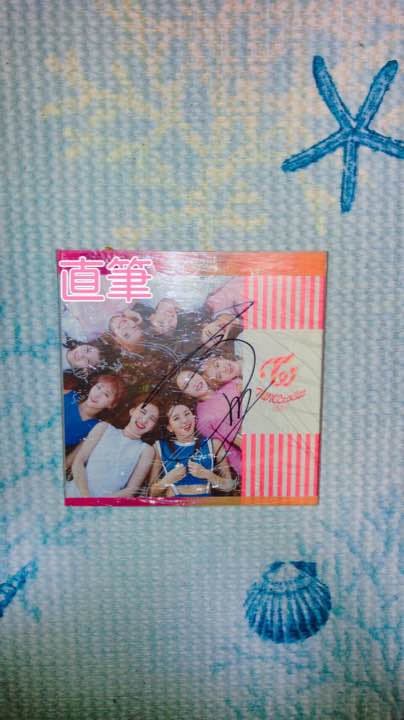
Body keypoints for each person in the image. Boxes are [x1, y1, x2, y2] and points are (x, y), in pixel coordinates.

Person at [69, 395, 161, 498]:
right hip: (76, 492)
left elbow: (131, 490)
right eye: (142, 412)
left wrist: (98, 503)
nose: (144, 420)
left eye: (152, 419)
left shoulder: (146, 450)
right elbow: (79, 461)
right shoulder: (103, 428)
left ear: (153, 427)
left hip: (107, 503)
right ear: (132, 411)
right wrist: (86, 496)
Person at [149, 397, 233, 497]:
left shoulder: (214, 444)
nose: (185, 420)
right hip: (173, 504)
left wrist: (207, 474)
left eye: (187, 414)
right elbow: (151, 493)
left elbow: (229, 486)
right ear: (169, 427)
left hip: (204, 503)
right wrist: (167, 480)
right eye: (176, 418)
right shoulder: (159, 447)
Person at [176, 368, 242, 477]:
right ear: (187, 395)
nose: (194, 383)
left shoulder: (230, 385)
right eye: (186, 385)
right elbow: (237, 446)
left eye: (192, 376)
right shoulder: (204, 419)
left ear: (199, 374)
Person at [64, 374, 126, 451]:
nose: (97, 395)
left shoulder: (95, 428)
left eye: (106, 394)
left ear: (112, 405)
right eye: (98, 387)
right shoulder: (68, 395)